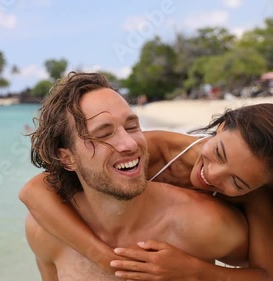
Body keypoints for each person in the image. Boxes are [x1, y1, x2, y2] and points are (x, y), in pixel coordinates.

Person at [23, 72, 256, 280]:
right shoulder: (46, 231)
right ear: (67, 158)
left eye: (133, 127)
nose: (128, 143)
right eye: (103, 134)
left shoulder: (204, 223)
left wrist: (197, 273)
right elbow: (31, 191)